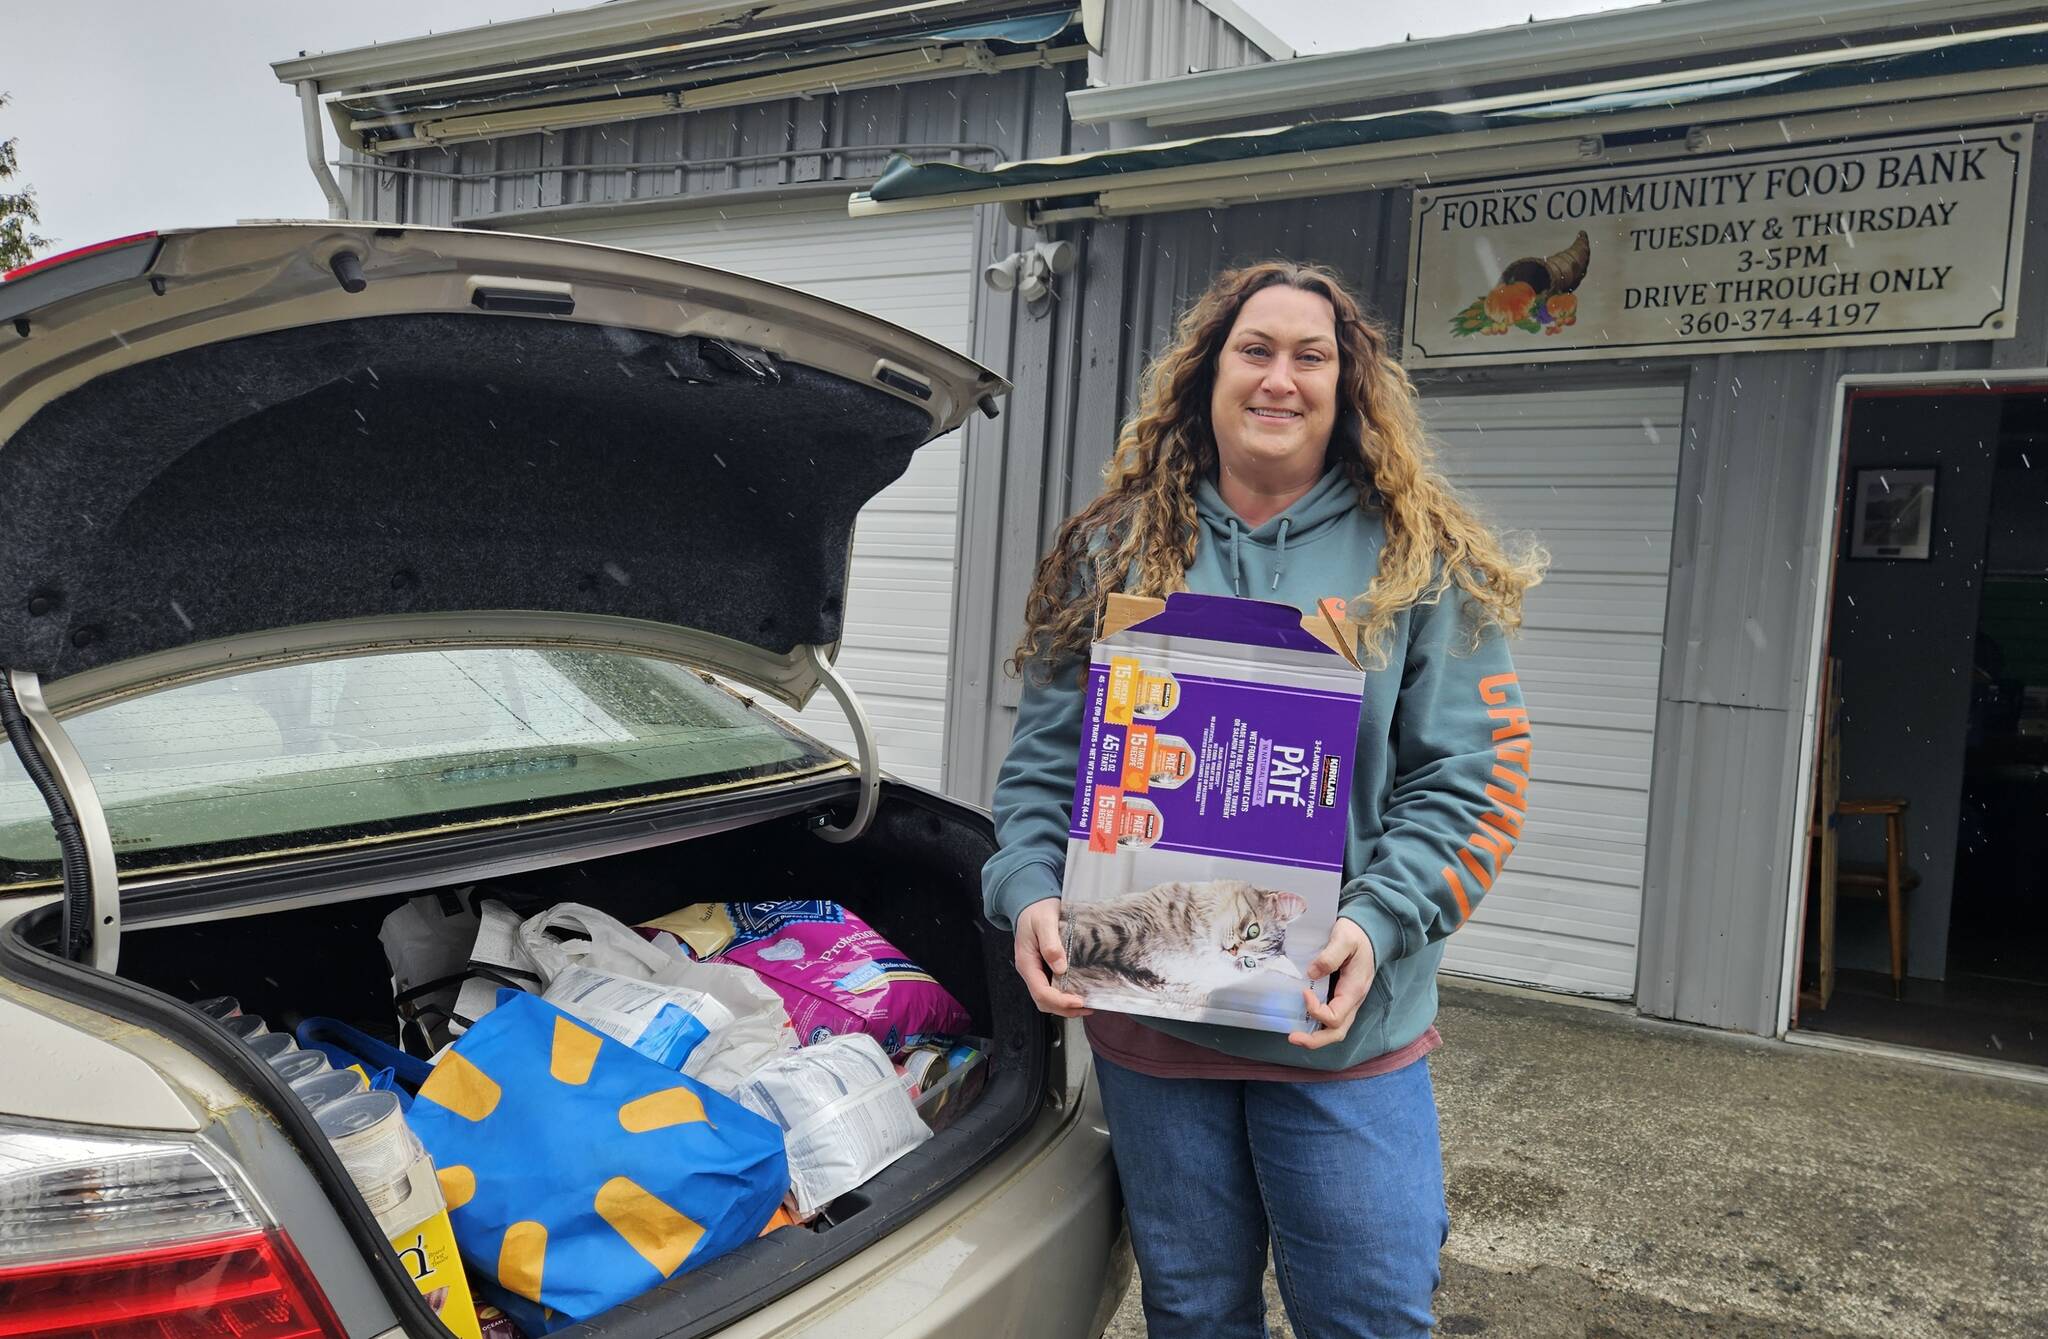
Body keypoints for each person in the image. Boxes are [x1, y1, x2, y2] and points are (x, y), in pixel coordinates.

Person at [981, 260, 1544, 1338]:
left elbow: (1468, 783)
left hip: (1334, 1032)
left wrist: (1374, 922)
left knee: (1367, 1317)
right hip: (1151, 1030)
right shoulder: (1115, 551)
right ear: (1206, 375)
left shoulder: (1416, 562)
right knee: (1191, 1315)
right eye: (1254, 349)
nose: (1278, 378)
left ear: (1347, 388)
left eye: (1309, 355)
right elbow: (1043, 770)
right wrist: (1026, 893)